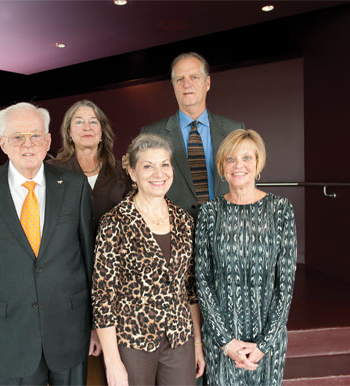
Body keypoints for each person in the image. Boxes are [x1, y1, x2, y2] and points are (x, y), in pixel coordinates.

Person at [0, 102, 99, 385]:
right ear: (3, 143)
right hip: (11, 332)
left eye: (35, 135)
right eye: (18, 137)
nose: (27, 144)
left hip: (69, 328)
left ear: (47, 141)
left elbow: (89, 260)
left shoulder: (75, 186)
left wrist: (95, 325)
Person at [92, 134, 205, 386]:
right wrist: (112, 361)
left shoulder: (183, 220)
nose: (159, 173)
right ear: (132, 172)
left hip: (179, 339)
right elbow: (103, 298)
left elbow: (190, 291)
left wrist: (196, 343)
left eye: (164, 164)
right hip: (133, 342)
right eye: (148, 166)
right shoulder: (115, 222)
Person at [195, 129, 297, 386]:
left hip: (267, 343)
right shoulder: (209, 213)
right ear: (222, 166)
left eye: (247, 158)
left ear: (258, 163)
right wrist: (225, 342)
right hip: (223, 342)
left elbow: (285, 286)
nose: (238, 165)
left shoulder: (281, 210)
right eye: (230, 159)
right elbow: (203, 281)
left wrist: (264, 344)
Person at [141, 52, 245, 220]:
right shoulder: (152, 134)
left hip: (227, 228)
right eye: (179, 79)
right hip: (174, 231)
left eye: (194, 77)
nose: (186, 84)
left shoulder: (235, 131)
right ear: (173, 86)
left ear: (208, 83)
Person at [48, 99, 130, 229]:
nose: (87, 127)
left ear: (102, 130)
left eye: (93, 121)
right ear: (69, 132)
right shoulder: (51, 170)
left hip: (113, 247)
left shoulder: (121, 170)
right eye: (79, 122)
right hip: (70, 248)